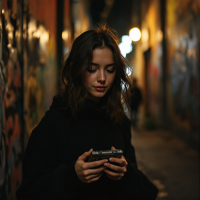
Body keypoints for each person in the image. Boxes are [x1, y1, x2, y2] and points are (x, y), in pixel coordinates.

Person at [16, 25, 158, 200]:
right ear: (76, 68)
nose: (102, 78)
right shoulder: (53, 123)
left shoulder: (119, 121)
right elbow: (28, 192)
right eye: (92, 69)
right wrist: (71, 177)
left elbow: (143, 192)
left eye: (110, 69)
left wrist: (126, 174)